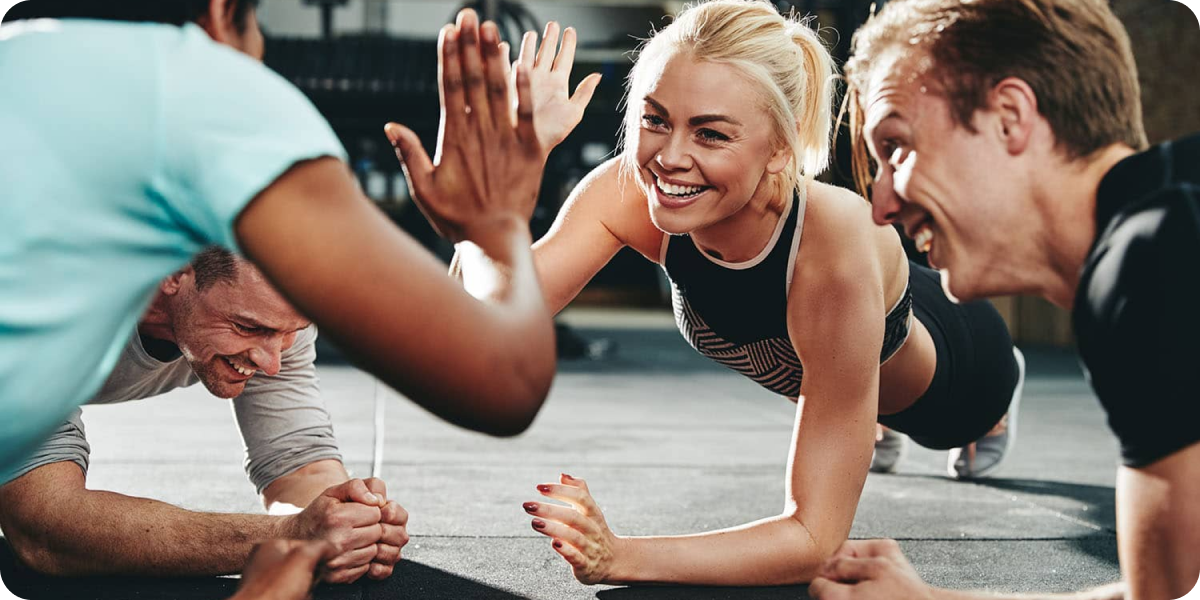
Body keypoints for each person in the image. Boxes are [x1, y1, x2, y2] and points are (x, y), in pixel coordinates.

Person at [432, 0, 1022, 586]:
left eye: (710, 133)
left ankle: (961, 418)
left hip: (959, 375)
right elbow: (472, 331)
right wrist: (498, 190)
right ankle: (857, 413)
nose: (669, 157)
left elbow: (813, 541)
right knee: (839, 382)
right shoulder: (628, 192)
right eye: (655, 119)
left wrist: (620, 556)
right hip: (845, 337)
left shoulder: (832, 249)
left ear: (781, 149)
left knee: (928, 413)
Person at [0, 0, 555, 489]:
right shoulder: (203, 86)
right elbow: (507, 381)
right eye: (258, 23)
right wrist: (496, 223)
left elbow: (300, 467)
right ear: (223, 10)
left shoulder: (22, 62)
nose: (272, 358)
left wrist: (326, 525)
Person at [809, 0, 1200, 599]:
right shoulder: (1161, 230)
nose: (882, 205)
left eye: (897, 147)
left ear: (1010, 117)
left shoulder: (1153, 256)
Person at [0, 247, 406, 583]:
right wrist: (284, 539)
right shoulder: (39, 300)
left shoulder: (277, 316)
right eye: (248, 327)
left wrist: (349, 524)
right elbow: (45, 527)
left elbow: (300, 468)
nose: (272, 363)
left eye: (288, 332)